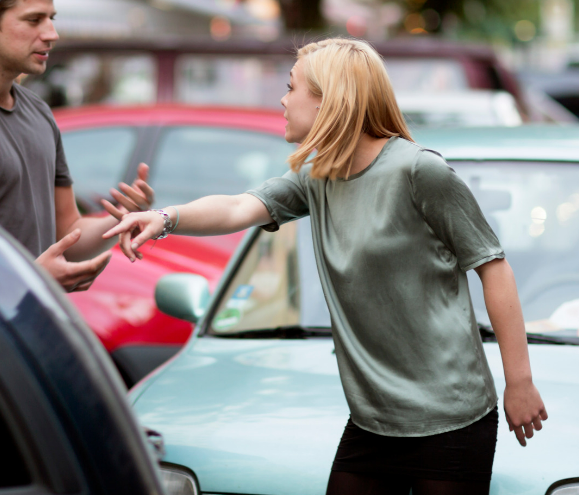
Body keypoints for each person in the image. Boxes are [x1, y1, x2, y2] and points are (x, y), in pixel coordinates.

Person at [104, 38, 547, 494]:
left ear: (330, 99)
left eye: (291, 86)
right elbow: (238, 207)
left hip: (451, 418)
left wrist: (520, 382)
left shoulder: (418, 172)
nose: (282, 98)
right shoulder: (318, 177)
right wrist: (163, 219)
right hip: (373, 420)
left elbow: (493, 267)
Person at [0, 0, 152, 292]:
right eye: (34, 19)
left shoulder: (38, 113)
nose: (52, 33)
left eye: (51, 18)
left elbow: (68, 231)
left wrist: (120, 221)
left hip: (35, 333)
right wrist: (30, 280)